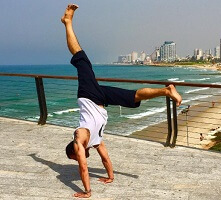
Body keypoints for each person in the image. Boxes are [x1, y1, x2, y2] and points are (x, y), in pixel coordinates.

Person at [62, 4, 182, 198]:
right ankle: (166, 91)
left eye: (74, 158)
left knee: (81, 59)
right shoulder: (96, 141)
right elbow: (106, 159)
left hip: (88, 95)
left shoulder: (79, 139)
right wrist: (110, 177)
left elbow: (84, 168)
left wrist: (87, 192)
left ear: (74, 152)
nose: (77, 160)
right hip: (101, 98)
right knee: (134, 96)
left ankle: (67, 22)